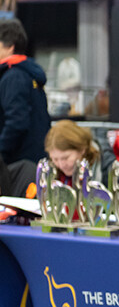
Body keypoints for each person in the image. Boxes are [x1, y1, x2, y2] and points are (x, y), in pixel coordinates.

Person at [0, 18, 51, 196]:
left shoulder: (13, 76)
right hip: (33, 160)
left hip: (19, 164)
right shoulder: (29, 74)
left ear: (10, 46)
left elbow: (16, 122)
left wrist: (1, 154)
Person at [44, 119, 104, 186]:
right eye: (55, 159)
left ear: (82, 149)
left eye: (65, 158)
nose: (61, 165)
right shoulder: (50, 173)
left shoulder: (105, 168)